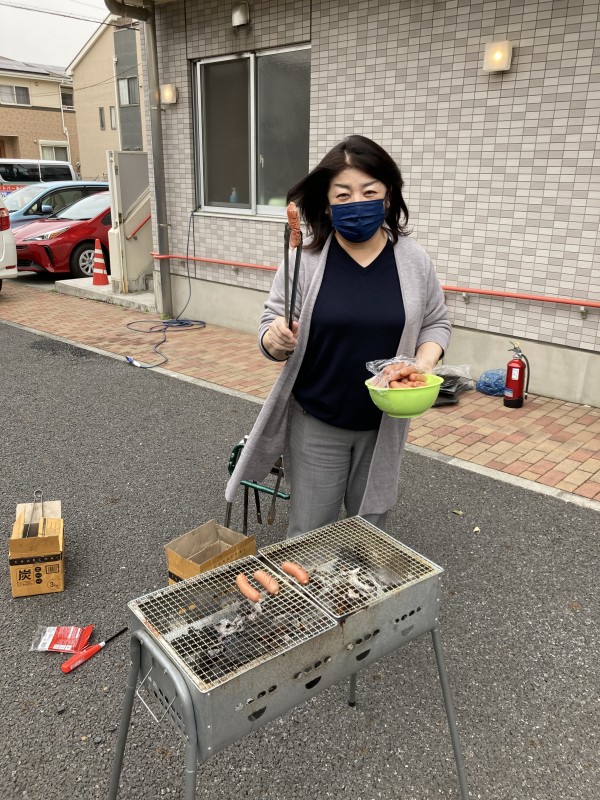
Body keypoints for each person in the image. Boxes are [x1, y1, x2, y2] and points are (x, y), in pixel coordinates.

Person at [225, 135, 450, 537]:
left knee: (370, 531)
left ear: (387, 196)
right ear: (327, 205)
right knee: (310, 533)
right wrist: (274, 340)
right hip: (317, 420)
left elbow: (436, 322)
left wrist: (421, 365)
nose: (356, 203)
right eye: (343, 195)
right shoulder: (305, 260)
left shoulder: (413, 259)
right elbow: (270, 326)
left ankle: (362, 582)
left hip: (384, 424)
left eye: (369, 192)